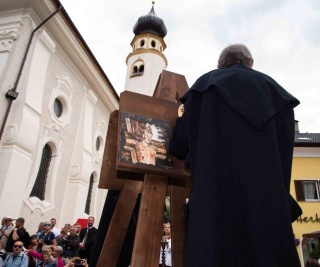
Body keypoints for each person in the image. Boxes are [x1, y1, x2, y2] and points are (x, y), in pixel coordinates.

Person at [169, 44, 302, 267]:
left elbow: (177, 145)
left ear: (221, 64)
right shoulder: (278, 95)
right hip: (268, 213)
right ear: (250, 63)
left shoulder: (202, 88)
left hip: (214, 212)